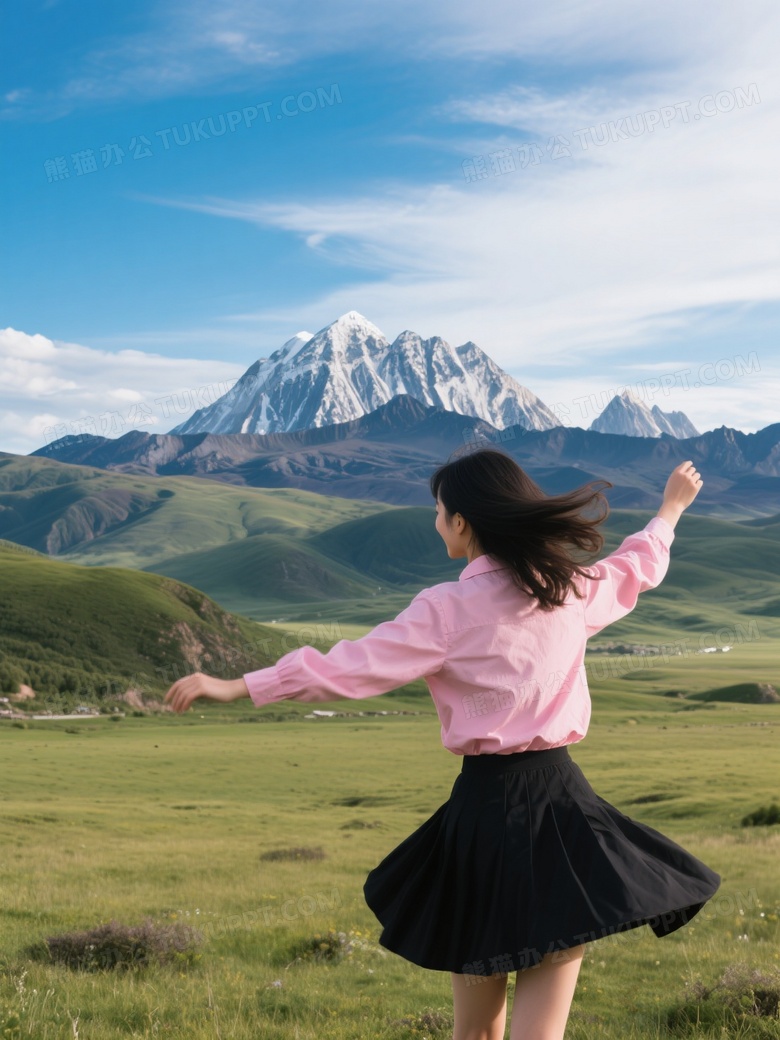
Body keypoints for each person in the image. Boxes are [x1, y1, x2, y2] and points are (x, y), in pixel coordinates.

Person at [164, 449, 721, 1040]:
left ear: (462, 521)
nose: (436, 523)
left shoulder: (446, 610)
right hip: (563, 810)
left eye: (438, 511)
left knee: (476, 1034)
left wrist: (237, 685)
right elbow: (638, 565)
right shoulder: (571, 589)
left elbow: (349, 667)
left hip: (484, 816)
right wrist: (671, 508)